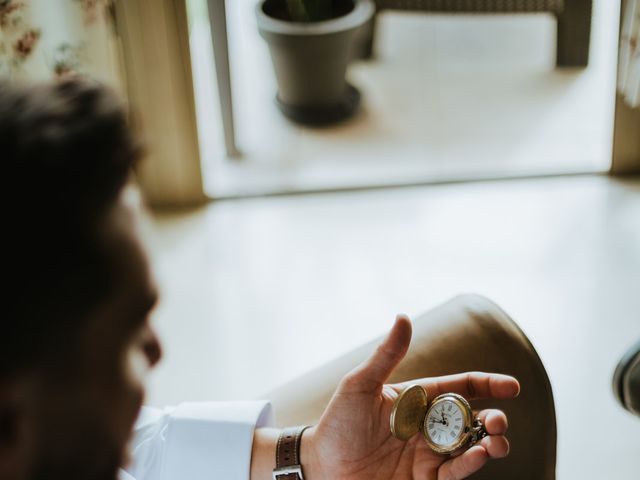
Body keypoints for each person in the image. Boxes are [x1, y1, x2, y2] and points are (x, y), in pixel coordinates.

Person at [0, 78, 520, 480]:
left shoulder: (59, 440)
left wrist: (312, 457)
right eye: (126, 331)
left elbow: (145, 442)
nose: (157, 351)